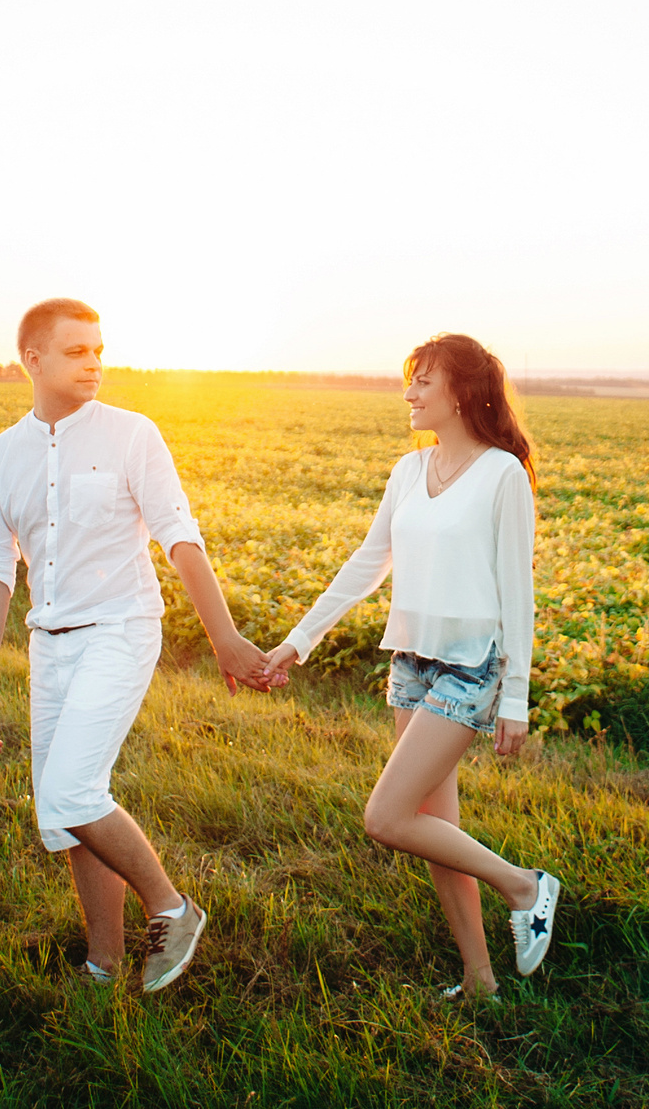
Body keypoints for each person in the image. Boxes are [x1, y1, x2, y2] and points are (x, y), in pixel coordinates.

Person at [0, 297, 275, 991]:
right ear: (32, 359)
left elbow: (179, 536)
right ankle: (103, 962)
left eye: (99, 349)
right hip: (50, 643)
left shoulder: (134, 434)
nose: (95, 363)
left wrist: (223, 636)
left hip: (122, 628)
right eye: (77, 351)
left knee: (69, 791)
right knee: (70, 810)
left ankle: (172, 907)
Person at [261, 333, 561, 1000]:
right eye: (410, 380)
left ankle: (524, 885)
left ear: (460, 392)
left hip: (471, 666)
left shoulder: (502, 474)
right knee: (436, 829)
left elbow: (520, 593)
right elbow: (367, 564)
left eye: (423, 381)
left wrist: (516, 696)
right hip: (411, 664)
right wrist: (297, 641)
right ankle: (480, 978)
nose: (410, 393)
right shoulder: (407, 470)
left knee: (387, 816)